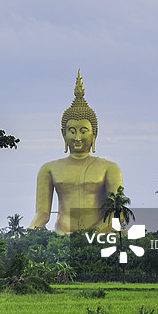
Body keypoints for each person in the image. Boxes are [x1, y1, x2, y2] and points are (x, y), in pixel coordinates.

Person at [28, 70, 123, 233]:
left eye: (83, 131)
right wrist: (27, 233)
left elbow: (117, 214)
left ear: (95, 133)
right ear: (63, 134)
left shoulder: (109, 167)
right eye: (72, 131)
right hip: (62, 235)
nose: (77, 137)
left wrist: (90, 235)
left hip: (100, 234)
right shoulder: (49, 169)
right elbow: (42, 214)